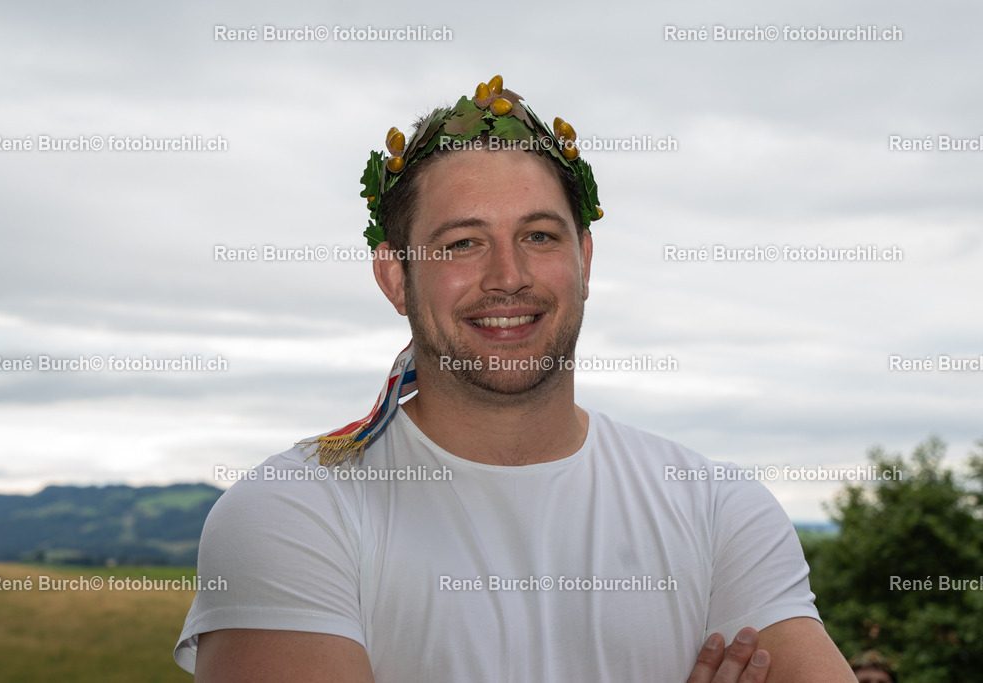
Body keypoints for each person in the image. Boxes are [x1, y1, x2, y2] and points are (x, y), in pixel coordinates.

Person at [174, 75, 856, 682]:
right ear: (394, 275)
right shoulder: (294, 512)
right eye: (462, 242)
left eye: (539, 235)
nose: (508, 276)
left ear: (584, 258)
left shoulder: (719, 510)